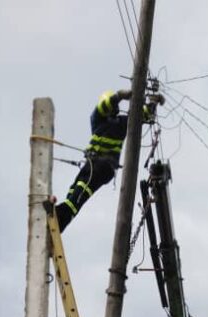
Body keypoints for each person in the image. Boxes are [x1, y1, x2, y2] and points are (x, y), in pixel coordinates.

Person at [54, 88, 163, 232]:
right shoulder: (100, 119)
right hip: (96, 166)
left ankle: (61, 216)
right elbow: (107, 106)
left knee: (80, 190)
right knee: (76, 192)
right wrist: (119, 97)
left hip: (101, 166)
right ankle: (61, 218)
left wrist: (152, 103)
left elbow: (143, 115)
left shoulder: (115, 121)